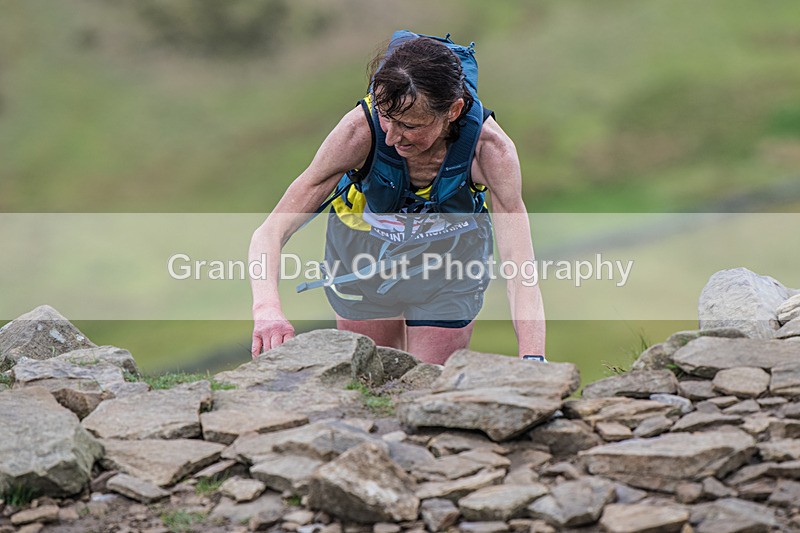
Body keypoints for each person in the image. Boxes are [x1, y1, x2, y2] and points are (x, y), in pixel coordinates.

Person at [249, 32, 545, 365]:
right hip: (362, 252)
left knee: (428, 385)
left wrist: (532, 357)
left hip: (450, 259)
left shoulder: (490, 151)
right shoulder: (359, 132)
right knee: (372, 380)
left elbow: (521, 266)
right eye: (386, 118)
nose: (390, 137)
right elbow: (269, 233)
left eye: (408, 125)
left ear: (453, 110)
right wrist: (267, 310)